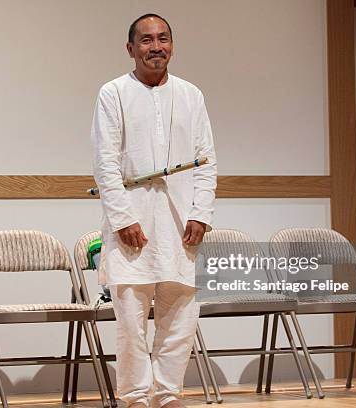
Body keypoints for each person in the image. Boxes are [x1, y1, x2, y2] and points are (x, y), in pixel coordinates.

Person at [90, 13, 217, 408]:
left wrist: (202, 213)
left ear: (172, 45)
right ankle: (134, 397)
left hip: (183, 224)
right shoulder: (113, 93)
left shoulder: (191, 94)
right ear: (130, 49)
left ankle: (167, 394)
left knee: (180, 318)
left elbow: (206, 160)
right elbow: (105, 163)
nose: (155, 47)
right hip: (133, 222)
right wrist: (123, 218)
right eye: (146, 40)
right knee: (130, 320)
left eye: (163, 39)